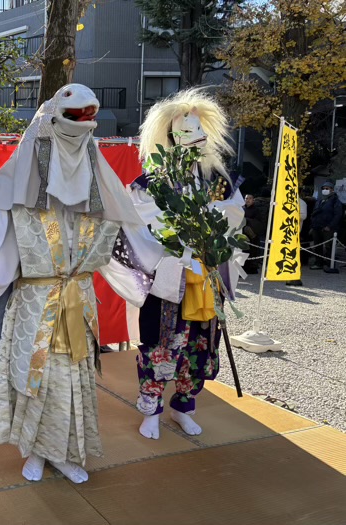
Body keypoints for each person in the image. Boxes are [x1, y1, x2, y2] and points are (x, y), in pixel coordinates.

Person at [0, 84, 160, 484]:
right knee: (36, 376)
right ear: (52, 121)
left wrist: (175, 254)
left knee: (76, 377)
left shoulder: (99, 179)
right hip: (35, 301)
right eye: (75, 115)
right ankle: (36, 451)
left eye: (89, 116)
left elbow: (133, 234)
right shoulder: (21, 173)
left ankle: (69, 453)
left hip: (80, 299)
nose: (83, 124)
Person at [129, 89, 246, 440]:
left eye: (200, 128)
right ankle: (150, 408)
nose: (197, 135)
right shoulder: (152, 184)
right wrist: (177, 246)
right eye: (186, 128)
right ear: (167, 136)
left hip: (208, 275)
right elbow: (138, 227)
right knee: (161, 344)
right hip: (168, 281)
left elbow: (235, 218)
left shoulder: (217, 182)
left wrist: (216, 235)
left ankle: (184, 405)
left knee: (200, 346)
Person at [309, 180, 343, 270]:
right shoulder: (320, 200)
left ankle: (329, 264)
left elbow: (338, 215)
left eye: (327, 188)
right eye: (323, 188)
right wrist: (313, 225)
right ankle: (318, 263)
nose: (325, 190)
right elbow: (314, 213)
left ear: (332, 190)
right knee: (317, 246)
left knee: (328, 247)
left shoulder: (336, 201)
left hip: (328, 228)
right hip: (317, 227)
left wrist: (330, 226)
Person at [242, 194, 267, 274]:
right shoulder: (242, 209)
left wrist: (247, 221)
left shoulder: (256, 210)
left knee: (252, 251)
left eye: (249, 198)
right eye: (246, 198)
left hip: (252, 235)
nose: (247, 200)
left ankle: (252, 268)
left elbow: (260, 222)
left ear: (253, 200)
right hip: (242, 235)